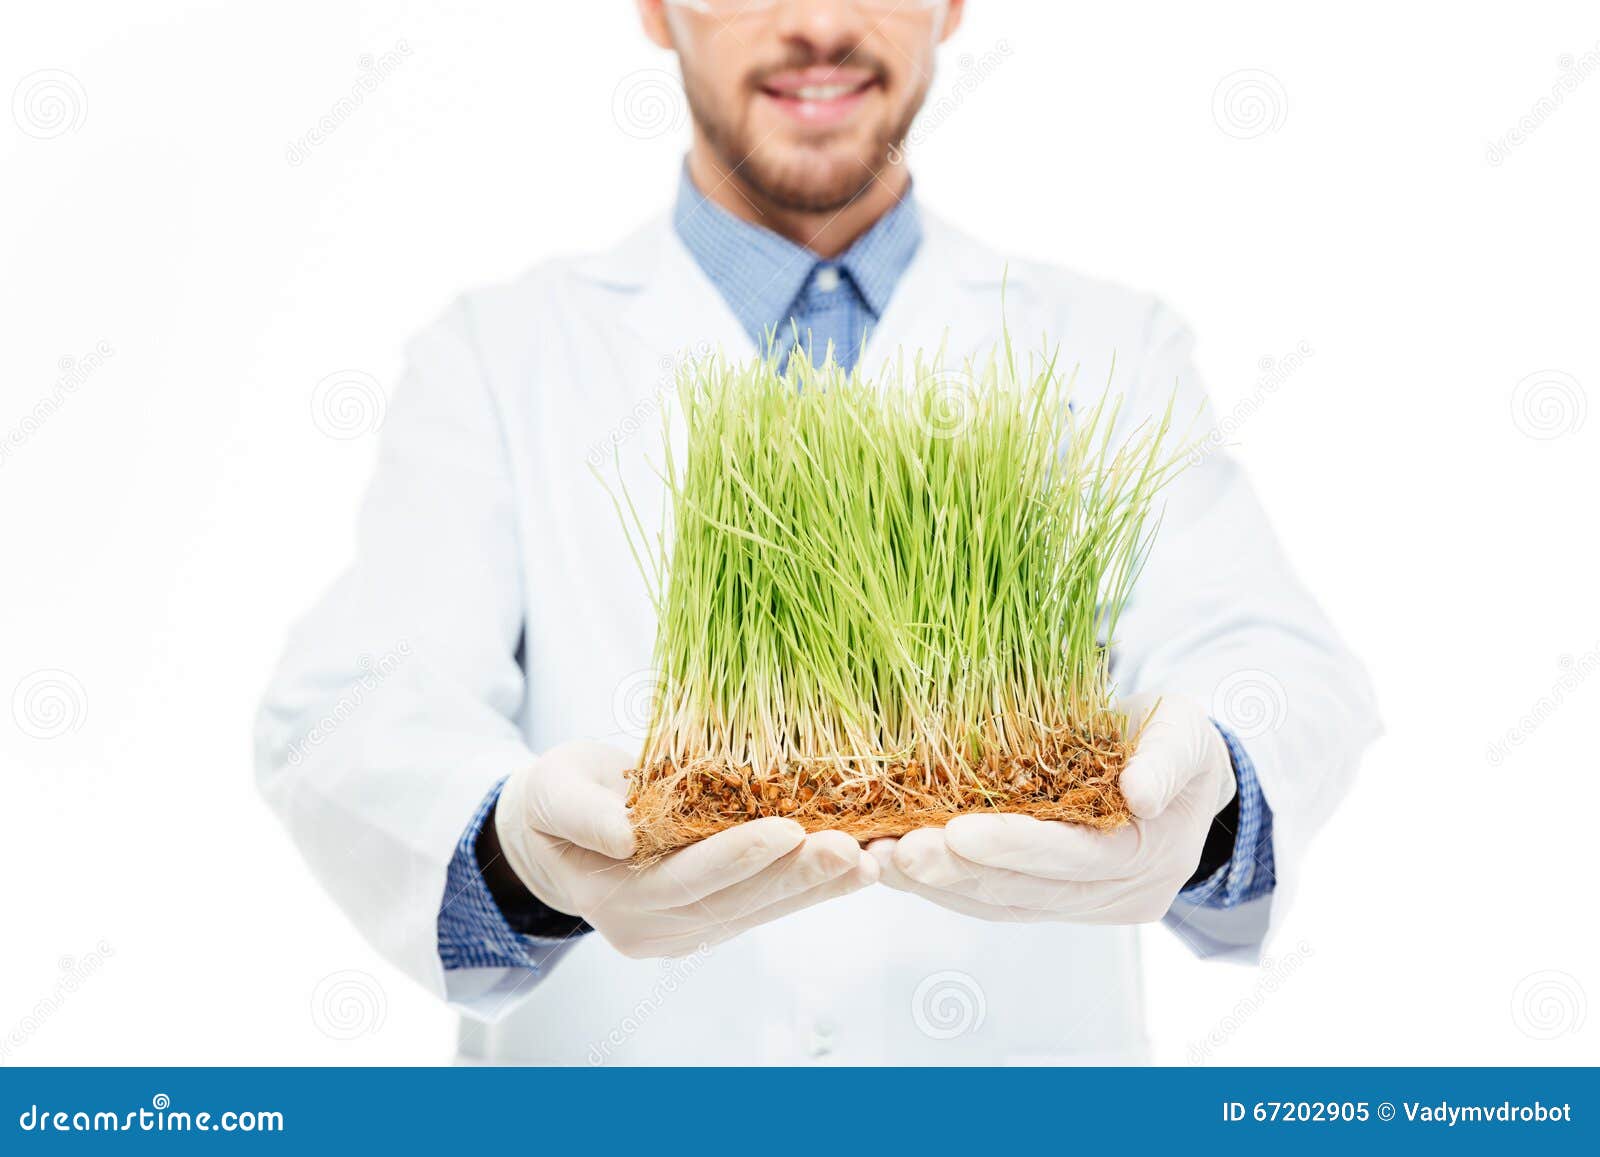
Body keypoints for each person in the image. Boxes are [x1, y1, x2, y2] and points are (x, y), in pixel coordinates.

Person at [255, 0, 1378, 1064]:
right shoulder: (497, 354)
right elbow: (352, 711)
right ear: (653, 7)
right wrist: (522, 850)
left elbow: (1277, 660)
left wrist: (1212, 789)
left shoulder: (1111, 343)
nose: (821, 24)